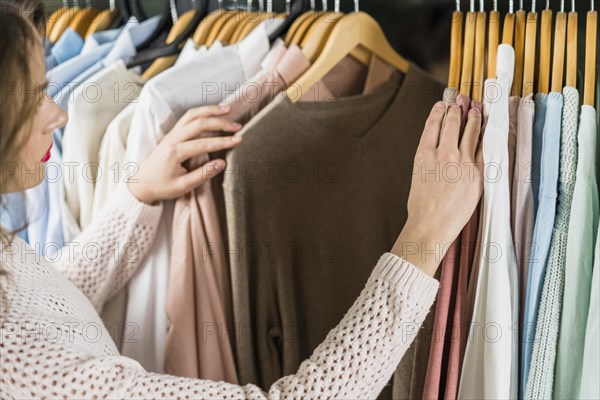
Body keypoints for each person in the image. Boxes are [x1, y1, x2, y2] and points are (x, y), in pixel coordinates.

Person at [0, 2, 484, 398]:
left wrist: (138, 196)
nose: (58, 115)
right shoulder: (19, 365)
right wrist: (423, 237)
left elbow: (50, 299)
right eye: (36, 97)